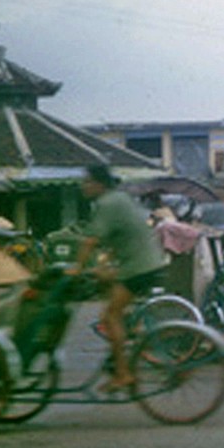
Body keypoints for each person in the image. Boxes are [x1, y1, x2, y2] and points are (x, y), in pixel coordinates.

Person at [70, 163, 168, 392]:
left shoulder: (106, 204)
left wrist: (77, 268)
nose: (84, 186)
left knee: (109, 317)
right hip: (148, 262)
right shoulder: (120, 198)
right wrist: (102, 266)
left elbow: (90, 241)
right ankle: (129, 345)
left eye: (87, 181)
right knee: (108, 290)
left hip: (138, 267)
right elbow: (122, 234)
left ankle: (123, 374)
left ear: (99, 184)